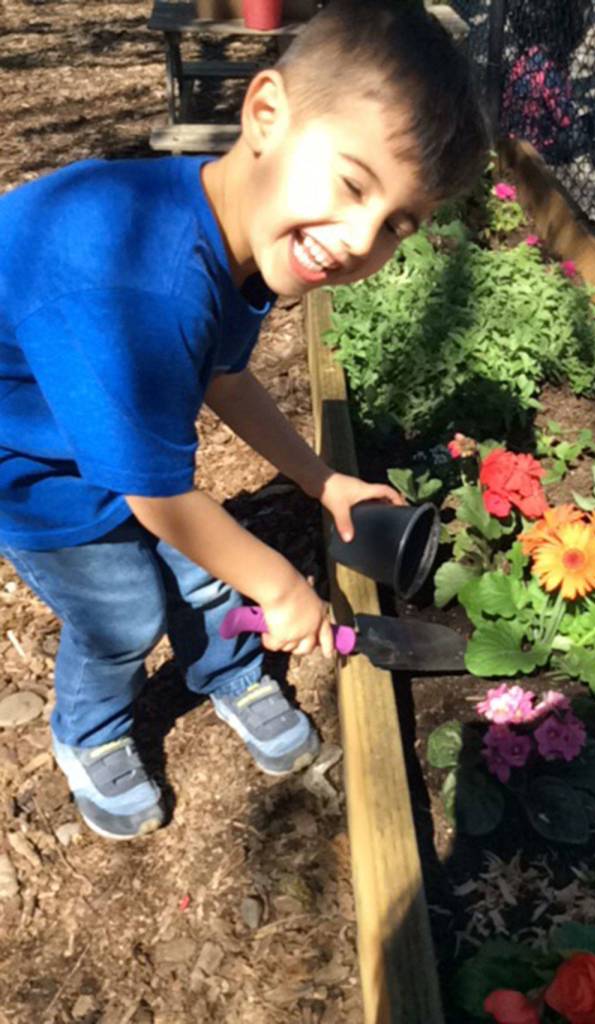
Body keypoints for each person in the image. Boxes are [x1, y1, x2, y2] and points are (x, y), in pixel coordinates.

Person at [0, 0, 488, 840]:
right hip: (32, 467)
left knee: (202, 569)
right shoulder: (139, 283)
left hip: (100, 413)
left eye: (394, 226)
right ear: (264, 112)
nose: (356, 241)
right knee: (124, 616)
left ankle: (224, 668)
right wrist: (280, 585)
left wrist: (320, 476)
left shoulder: (240, 234)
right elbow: (159, 499)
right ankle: (90, 734)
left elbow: (223, 376)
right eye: (351, 186)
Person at [501, 0, 595, 162]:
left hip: (515, 134)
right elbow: (564, 118)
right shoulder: (549, 66)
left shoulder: (527, 55)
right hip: (541, 147)